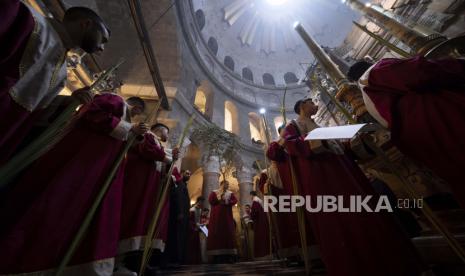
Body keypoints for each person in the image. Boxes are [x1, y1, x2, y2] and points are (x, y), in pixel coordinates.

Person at [268, 97, 426, 276]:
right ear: (302, 106)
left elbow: (337, 148)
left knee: (367, 216)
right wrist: (317, 141)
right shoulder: (294, 126)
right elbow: (284, 147)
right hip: (325, 179)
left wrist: (356, 143)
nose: (315, 104)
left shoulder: (318, 126)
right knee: (344, 223)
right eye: (311, 102)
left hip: (346, 174)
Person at [0, 93, 146, 275]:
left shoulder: (126, 116)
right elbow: (92, 112)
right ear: (137, 108)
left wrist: (133, 133)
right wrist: (128, 127)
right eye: (139, 113)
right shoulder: (114, 99)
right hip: (82, 159)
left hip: (97, 167)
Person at [348, 56, 465, 208]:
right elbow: (421, 71)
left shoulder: (368, 98)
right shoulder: (376, 71)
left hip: (420, 137)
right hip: (439, 117)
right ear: (369, 64)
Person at [0, 2, 110, 163]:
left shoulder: (62, 73)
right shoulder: (30, 21)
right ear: (86, 24)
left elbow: (36, 115)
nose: (102, 48)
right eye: (103, 40)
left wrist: (69, 101)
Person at [116, 122, 177, 275]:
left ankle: (138, 261)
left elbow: (162, 166)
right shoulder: (147, 135)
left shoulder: (158, 143)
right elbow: (147, 150)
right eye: (166, 131)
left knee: (145, 220)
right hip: (139, 179)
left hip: (150, 184)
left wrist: (170, 160)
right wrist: (168, 158)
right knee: (135, 215)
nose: (167, 135)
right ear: (159, 129)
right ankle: (123, 261)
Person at [207, 180, 238, 263]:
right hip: (216, 218)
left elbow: (235, 201)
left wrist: (228, 201)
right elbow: (210, 201)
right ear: (221, 184)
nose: (227, 186)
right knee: (216, 233)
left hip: (227, 217)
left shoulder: (230, 193)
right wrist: (219, 198)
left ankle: (228, 256)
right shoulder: (215, 192)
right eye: (226, 184)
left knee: (227, 234)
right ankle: (216, 256)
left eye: (228, 184)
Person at [249, 191, 271, 260]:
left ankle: (262, 254)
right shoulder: (259, 201)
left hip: (259, 222)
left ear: (252, 195)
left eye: (250, 196)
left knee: (260, 237)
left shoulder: (255, 201)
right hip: (262, 221)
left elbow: (255, 212)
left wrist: (250, 215)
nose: (250, 197)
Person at [187, 196, 205, 264]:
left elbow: (198, 220)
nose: (202, 204)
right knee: (192, 245)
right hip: (192, 229)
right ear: (199, 201)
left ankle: (197, 260)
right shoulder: (192, 210)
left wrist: (200, 225)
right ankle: (191, 260)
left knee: (197, 245)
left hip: (197, 228)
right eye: (202, 202)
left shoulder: (200, 210)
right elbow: (190, 221)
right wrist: (194, 227)